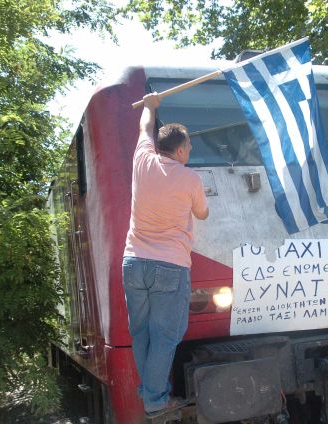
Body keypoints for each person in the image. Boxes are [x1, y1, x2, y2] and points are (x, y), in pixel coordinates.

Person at [122, 92, 209, 418]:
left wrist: (149, 105)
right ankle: (156, 401)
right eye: (189, 147)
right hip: (169, 267)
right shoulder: (190, 178)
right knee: (166, 336)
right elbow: (202, 214)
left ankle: (150, 391)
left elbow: (145, 127)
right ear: (182, 148)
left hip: (133, 262)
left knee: (141, 333)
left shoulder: (142, 159)